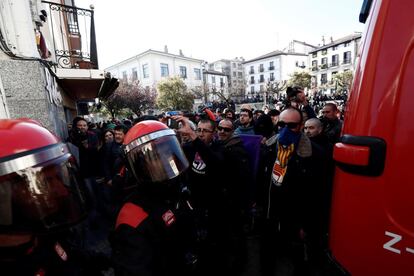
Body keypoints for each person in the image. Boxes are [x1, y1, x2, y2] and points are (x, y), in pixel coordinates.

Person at [0, 119, 99, 275]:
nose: (62, 191)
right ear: (4, 194)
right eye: (45, 182)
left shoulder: (47, 233)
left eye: (58, 178)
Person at [111, 120, 195, 276]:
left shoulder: (177, 189)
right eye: (156, 155)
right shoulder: (132, 215)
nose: (166, 157)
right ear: (141, 164)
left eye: (166, 150)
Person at [261, 107, 326, 276]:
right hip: (271, 210)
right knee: (267, 252)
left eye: (291, 125)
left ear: (300, 126)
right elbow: (262, 178)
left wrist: (307, 223)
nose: (284, 129)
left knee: (297, 254)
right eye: (281, 124)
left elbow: (317, 193)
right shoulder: (269, 145)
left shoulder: (315, 153)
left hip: (296, 216)